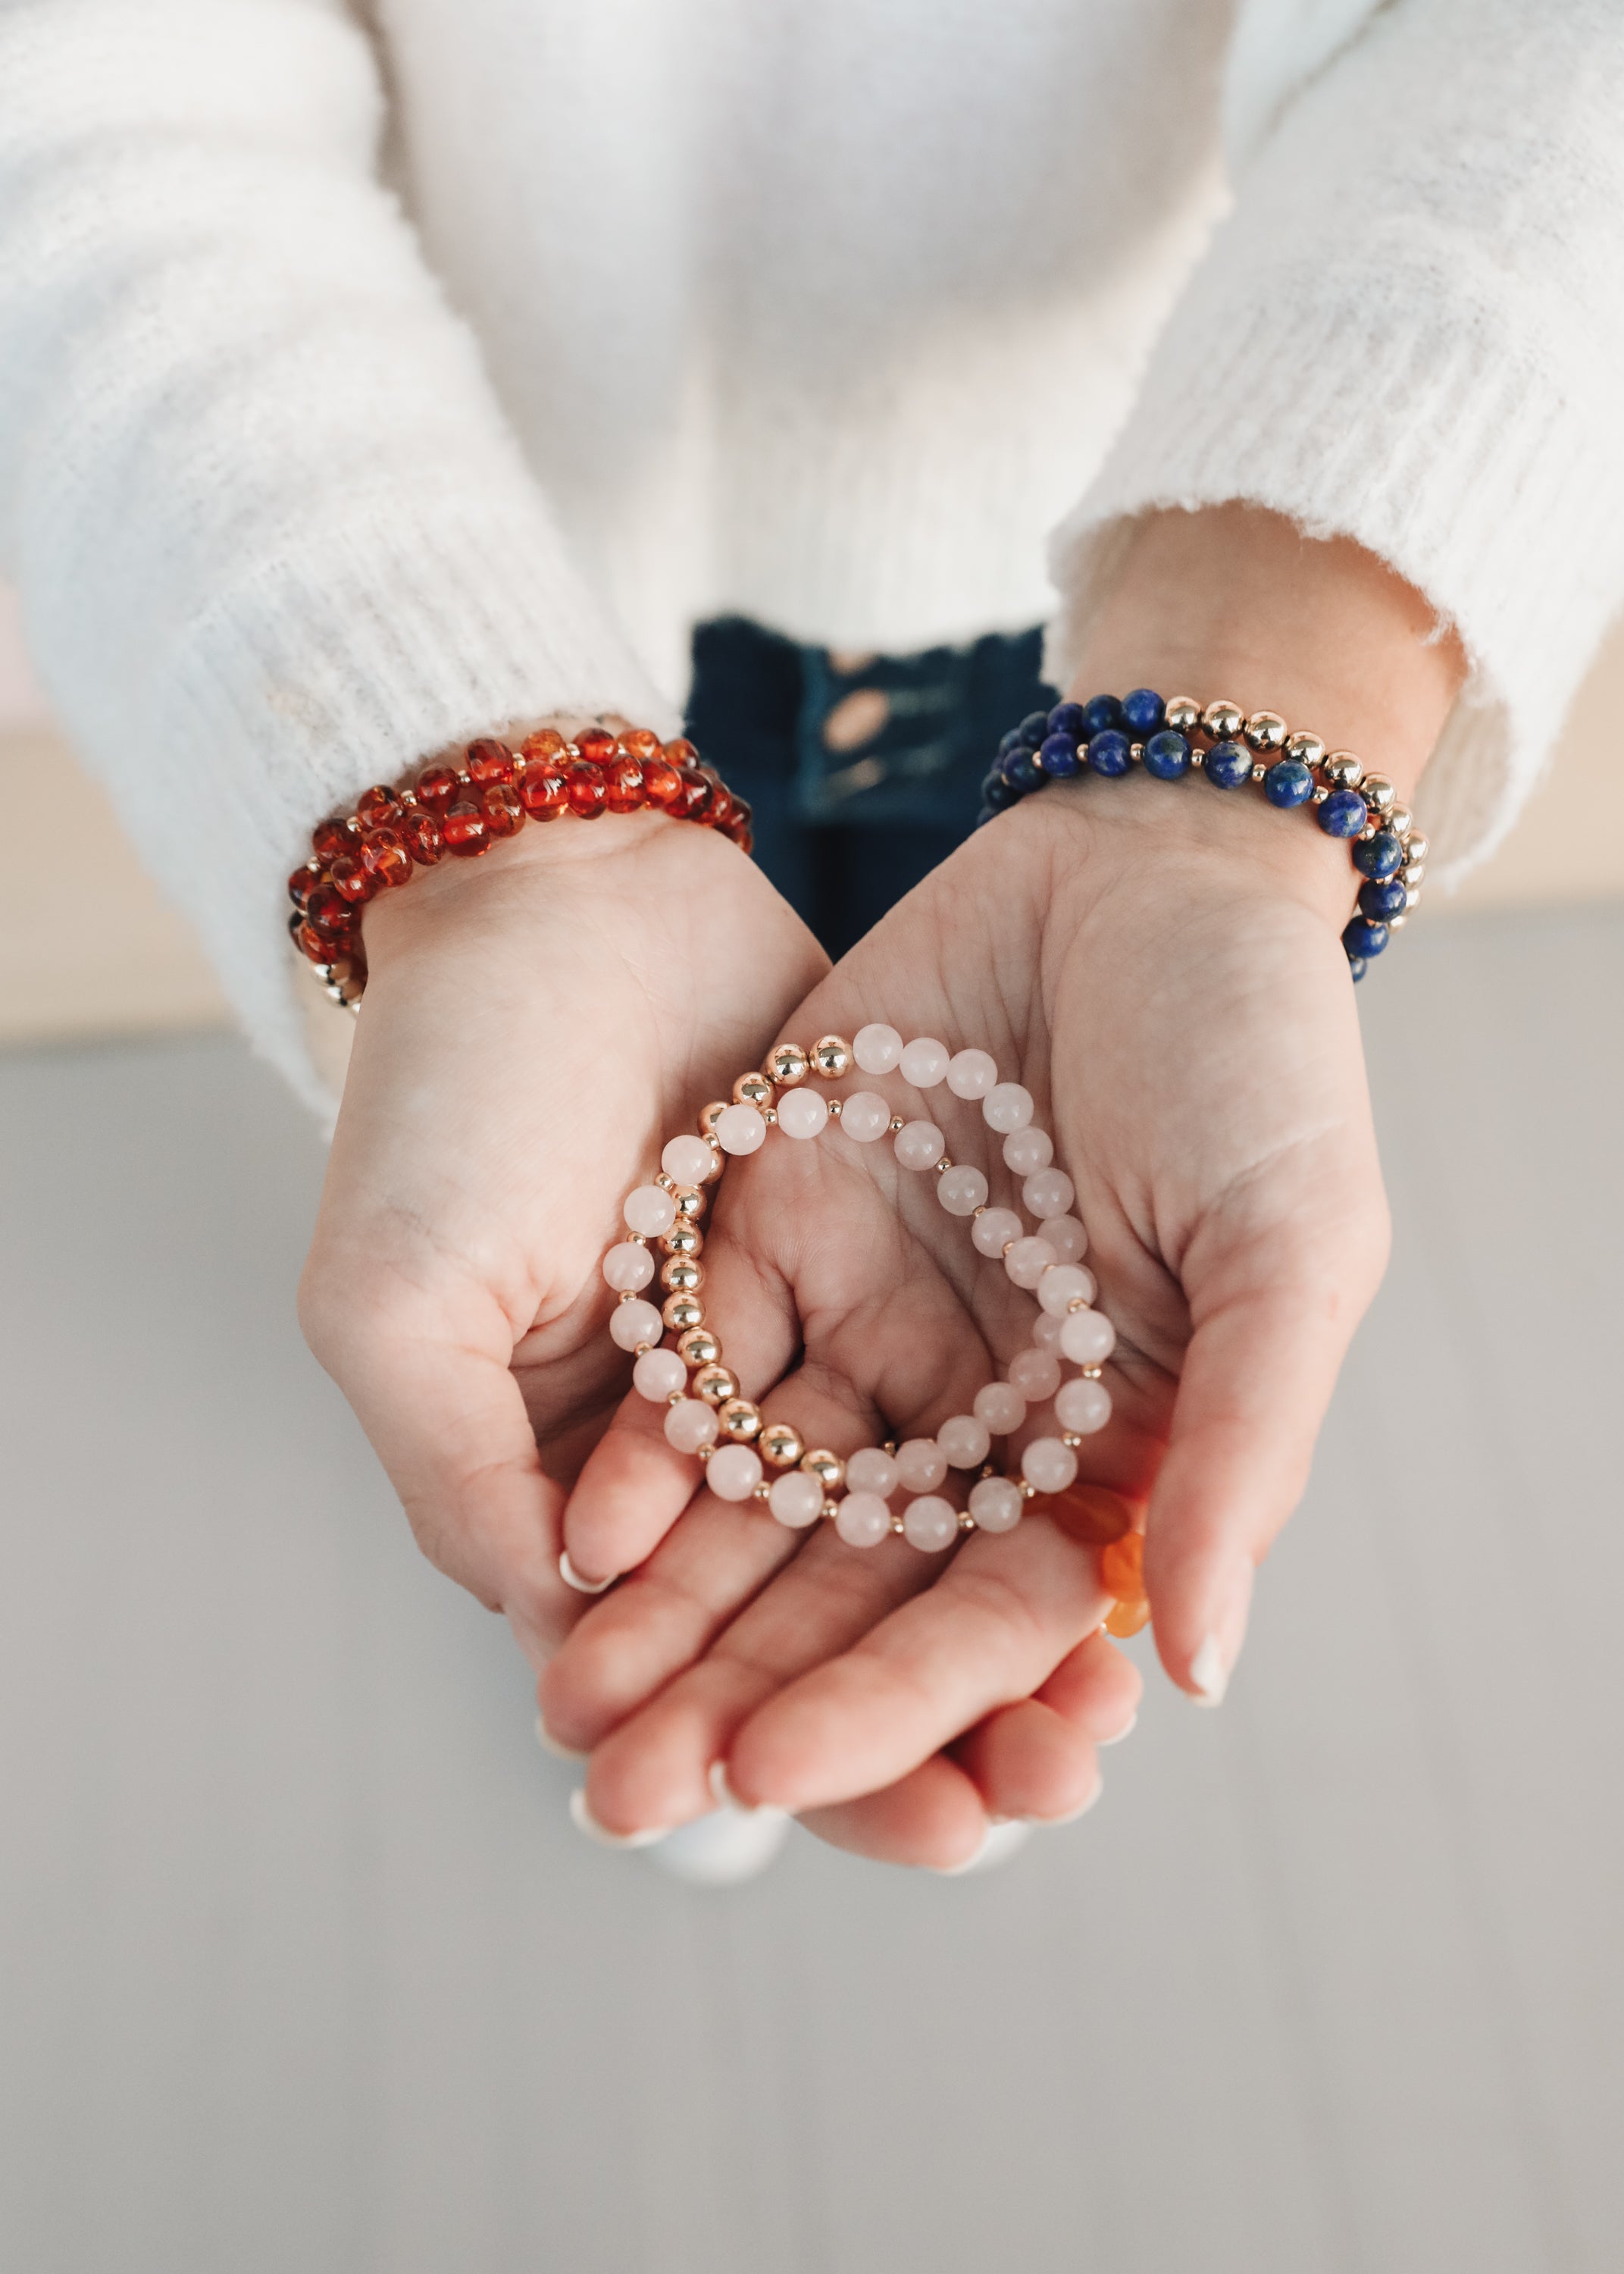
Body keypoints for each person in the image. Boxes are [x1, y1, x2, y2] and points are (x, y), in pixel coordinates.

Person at [3, 1, 1621, 1878]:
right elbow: (76, 76)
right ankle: (671, 1601)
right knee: (605, 1126)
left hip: (1143, 539)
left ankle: (769, 1629)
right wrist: (490, 855)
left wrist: (1234, 743)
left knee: (1022, 1061)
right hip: (495, 554)